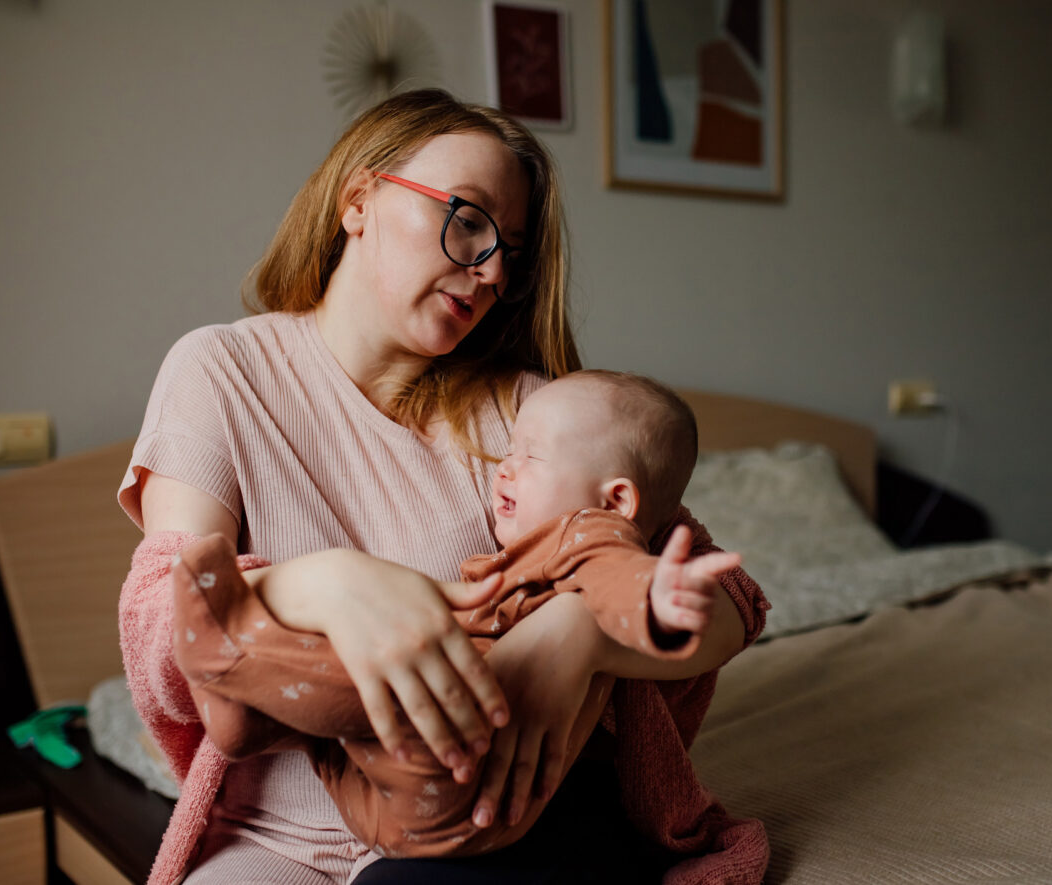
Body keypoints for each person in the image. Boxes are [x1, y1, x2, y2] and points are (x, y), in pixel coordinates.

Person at [117, 88, 770, 885]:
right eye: (468, 221)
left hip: (487, 826)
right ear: (360, 200)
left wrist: (580, 634)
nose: (493, 268)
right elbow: (164, 625)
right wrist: (318, 582)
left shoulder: (529, 412)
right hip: (279, 836)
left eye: (513, 251)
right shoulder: (223, 372)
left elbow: (726, 594)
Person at [169, 370, 744, 860]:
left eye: (530, 455)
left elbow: (622, 578)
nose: (504, 468)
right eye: (509, 450)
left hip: (471, 778)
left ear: (615, 500)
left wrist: (657, 599)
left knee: (389, 682)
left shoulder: (592, 534)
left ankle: (241, 659)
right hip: (395, 806)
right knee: (351, 708)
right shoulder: (520, 555)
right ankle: (255, 717)